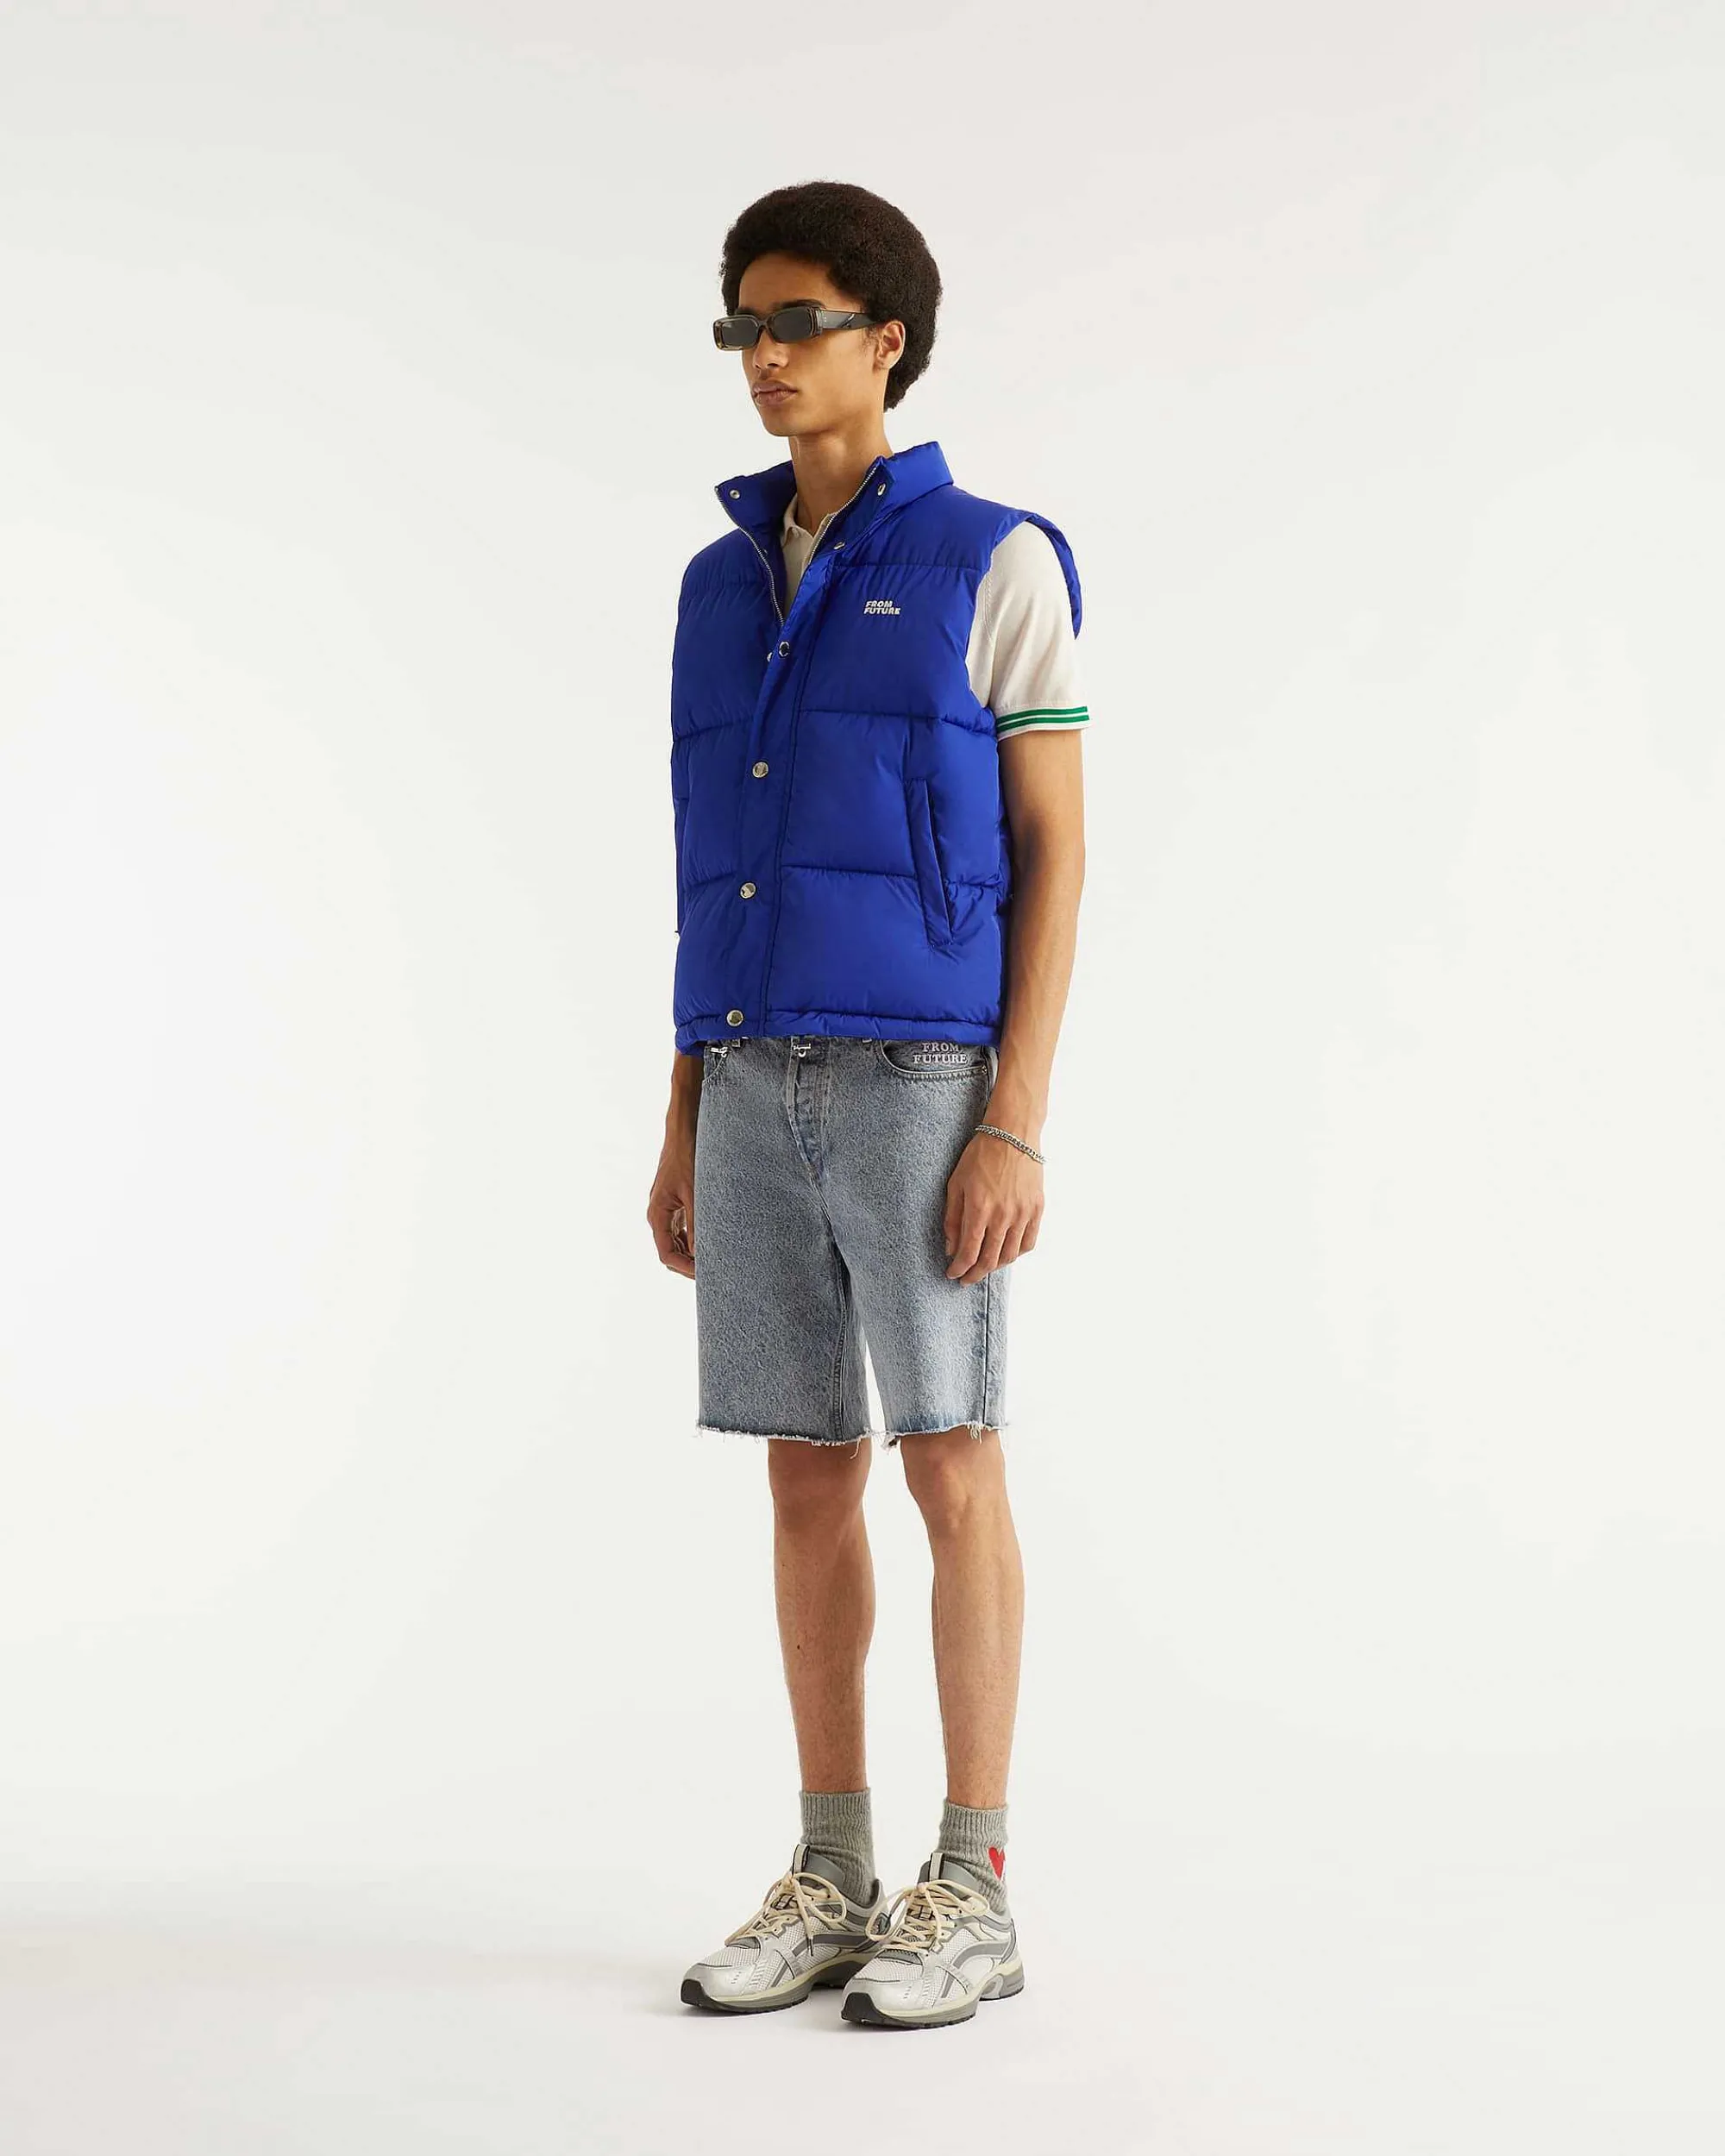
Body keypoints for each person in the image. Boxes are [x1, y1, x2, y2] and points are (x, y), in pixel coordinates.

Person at [646, 179, 1088, 2031]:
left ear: (886, 338)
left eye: (798, 321)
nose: (764, 356)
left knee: (949, 1456)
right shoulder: (714, 583)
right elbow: (710, 859)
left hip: (923, 1079)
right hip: (748, 1068)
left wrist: (1015, 1115)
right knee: (803, 1466)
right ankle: (834, 1871)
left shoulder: (995, 559)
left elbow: (1057, 853)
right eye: (743, 325)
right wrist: (683, 1103)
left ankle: (971, 1883)